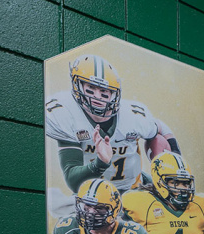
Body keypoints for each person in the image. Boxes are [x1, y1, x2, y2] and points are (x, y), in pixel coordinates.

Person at [45, 54, 180, 193]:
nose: (97, 96)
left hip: (133, 190)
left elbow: (162, 128)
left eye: (104, 91)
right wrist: (101, 163)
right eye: (91, 88)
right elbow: (74, 182)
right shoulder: (66, 112)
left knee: (158, 139)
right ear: (77, 85)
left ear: (114, 94)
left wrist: (175, 159)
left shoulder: (132, 116)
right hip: (92, 198)